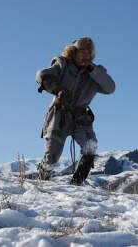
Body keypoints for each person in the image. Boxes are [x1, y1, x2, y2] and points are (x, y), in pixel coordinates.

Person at [35, 37, 115, 185]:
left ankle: (76, 185)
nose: (85, 55)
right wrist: (57, 89)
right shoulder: (62, 64)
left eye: (88, 52)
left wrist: (93, 70)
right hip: (60, 114)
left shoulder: (96, 72)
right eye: (81, 51)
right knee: (52, 156)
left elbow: (110, 88)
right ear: (74, 52)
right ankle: (42, 184)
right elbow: (41, 75)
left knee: (90, 147)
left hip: (81, 117)